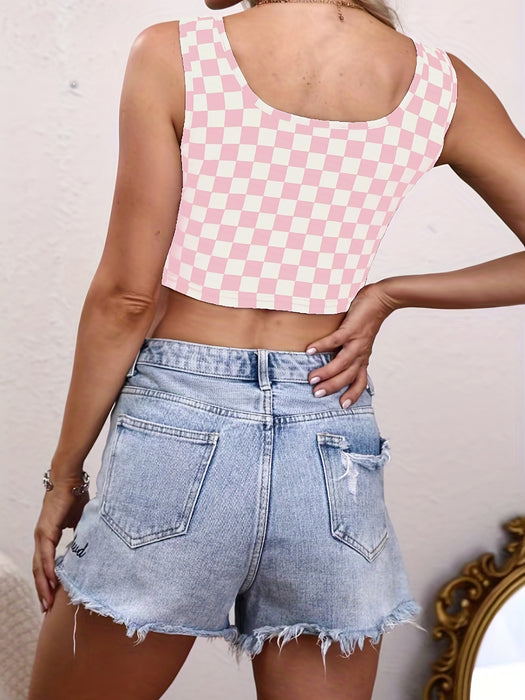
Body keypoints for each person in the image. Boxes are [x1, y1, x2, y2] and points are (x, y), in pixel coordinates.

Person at [28, 0, 525, 698]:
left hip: (181, 425)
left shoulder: (176, 53)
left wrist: (64, 478)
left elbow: (126, 299)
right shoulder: (439, 84)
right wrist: (389, 294)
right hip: (328, 429)